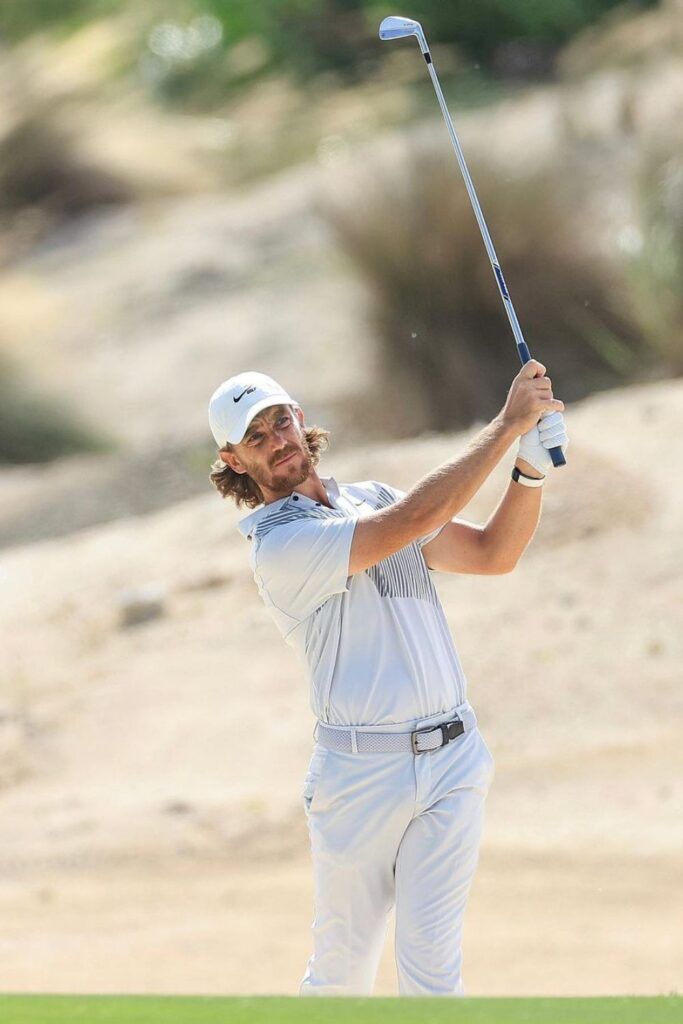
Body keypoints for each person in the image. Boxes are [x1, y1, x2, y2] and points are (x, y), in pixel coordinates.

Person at [207, 363, 568, 997]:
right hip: (359, 781)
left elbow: (492, 554)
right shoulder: (278, 544)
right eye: (256, 436)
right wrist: (509, 423)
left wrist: (528, 472)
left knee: (434, 976)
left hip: (454, 761)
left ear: (300, 417)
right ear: (233, 460)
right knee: (341, 981)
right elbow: (409, 521)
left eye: (280, 420)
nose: (278, 439)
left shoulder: (370, 498)